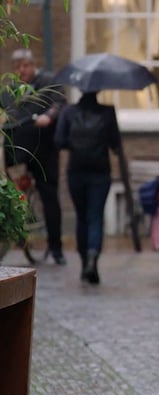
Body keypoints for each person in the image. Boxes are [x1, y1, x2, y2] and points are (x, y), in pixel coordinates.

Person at [1, 48, 66, 265]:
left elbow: (59, 103)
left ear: (33, 64)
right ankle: (18, 234)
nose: (22, 71)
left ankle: (56, 248)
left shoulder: (47, 81)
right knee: (12, 194)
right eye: (17, 67)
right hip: (17, 150)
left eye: (25, 66)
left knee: (49, 195)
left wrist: (49, 116)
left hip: (44, 149)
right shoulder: (9, 90)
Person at [54, 92, 121, 284]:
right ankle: (93, 258)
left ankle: (84, 263)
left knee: (81, 217)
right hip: (100, 172)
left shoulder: (68, 112)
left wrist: (75, 144)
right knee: (95, 216)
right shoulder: (108, 113)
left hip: (76, 171)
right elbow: (115, 144)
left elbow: (59, 141)